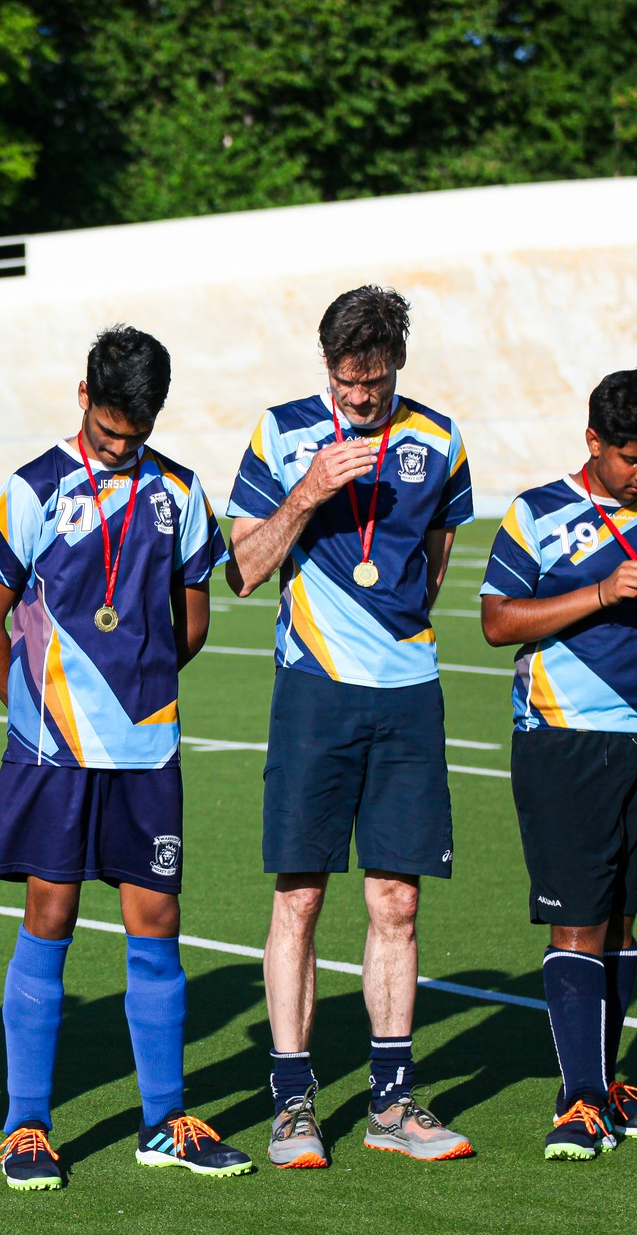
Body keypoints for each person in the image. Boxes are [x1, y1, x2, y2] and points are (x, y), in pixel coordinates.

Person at [0, 326, 250, 1191]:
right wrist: (37, 714)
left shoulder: (180, 491)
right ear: (83, 395)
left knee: (156, 919)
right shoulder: (34, 487)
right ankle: (25, 1125)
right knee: (49, 913)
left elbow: (192, 622)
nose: (120, 448)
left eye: (136, 434)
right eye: (108, 431)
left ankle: (164, 1120)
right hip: (54, 753)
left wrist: (134, 692)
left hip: (146, 748)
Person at [224, 285, 476, 1167]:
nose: (360, 397)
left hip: (407, 693)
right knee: (299, 896)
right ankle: (293, 1102)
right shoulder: (282, 431)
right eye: (346, 380)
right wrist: (307, 494)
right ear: (326, 365)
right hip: (314, 691)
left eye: (373, 381)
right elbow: (242, 570)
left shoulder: (440, 439)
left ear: (397, 364)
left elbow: (433, 568)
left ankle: (392, 1103)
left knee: (397, 899)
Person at [479, 368, 637, 1160]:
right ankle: (577, 1101)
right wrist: (603, 592)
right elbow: (497, 622)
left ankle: (603, 1086)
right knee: (577, 918)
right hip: (564, 737)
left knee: (624, 916)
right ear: (593, 442)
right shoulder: (538, 512)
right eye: (631, 459)